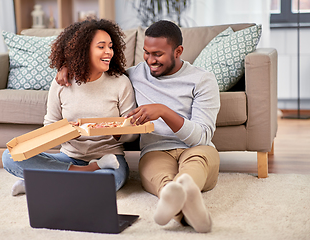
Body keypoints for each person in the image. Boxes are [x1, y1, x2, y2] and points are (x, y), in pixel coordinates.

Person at [56, 20, 220, 233]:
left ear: (178, 51)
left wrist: (163, 111)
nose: (150, 61)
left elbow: (201, 137)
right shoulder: (134, 75)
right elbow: (100, 67)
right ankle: (186, 202)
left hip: (198, 149)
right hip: (156, 150)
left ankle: (183, 190)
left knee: (195, 164)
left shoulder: (202, 80)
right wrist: (68, 66)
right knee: (162, 180)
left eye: (158, 54)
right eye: (146, 52)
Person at [2, 18, 137, 196]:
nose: (108, 52)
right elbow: (49, 126)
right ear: (83, 50)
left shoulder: (121, 83)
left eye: (110, 47)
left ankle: (39, 183)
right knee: (10, 156)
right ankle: (86, 172)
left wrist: (118, 131)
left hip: (109, 157)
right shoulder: (61, 83)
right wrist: (65, 130)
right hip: (69, 157)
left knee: (107, 182)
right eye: (101, 46)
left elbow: (133, 133)